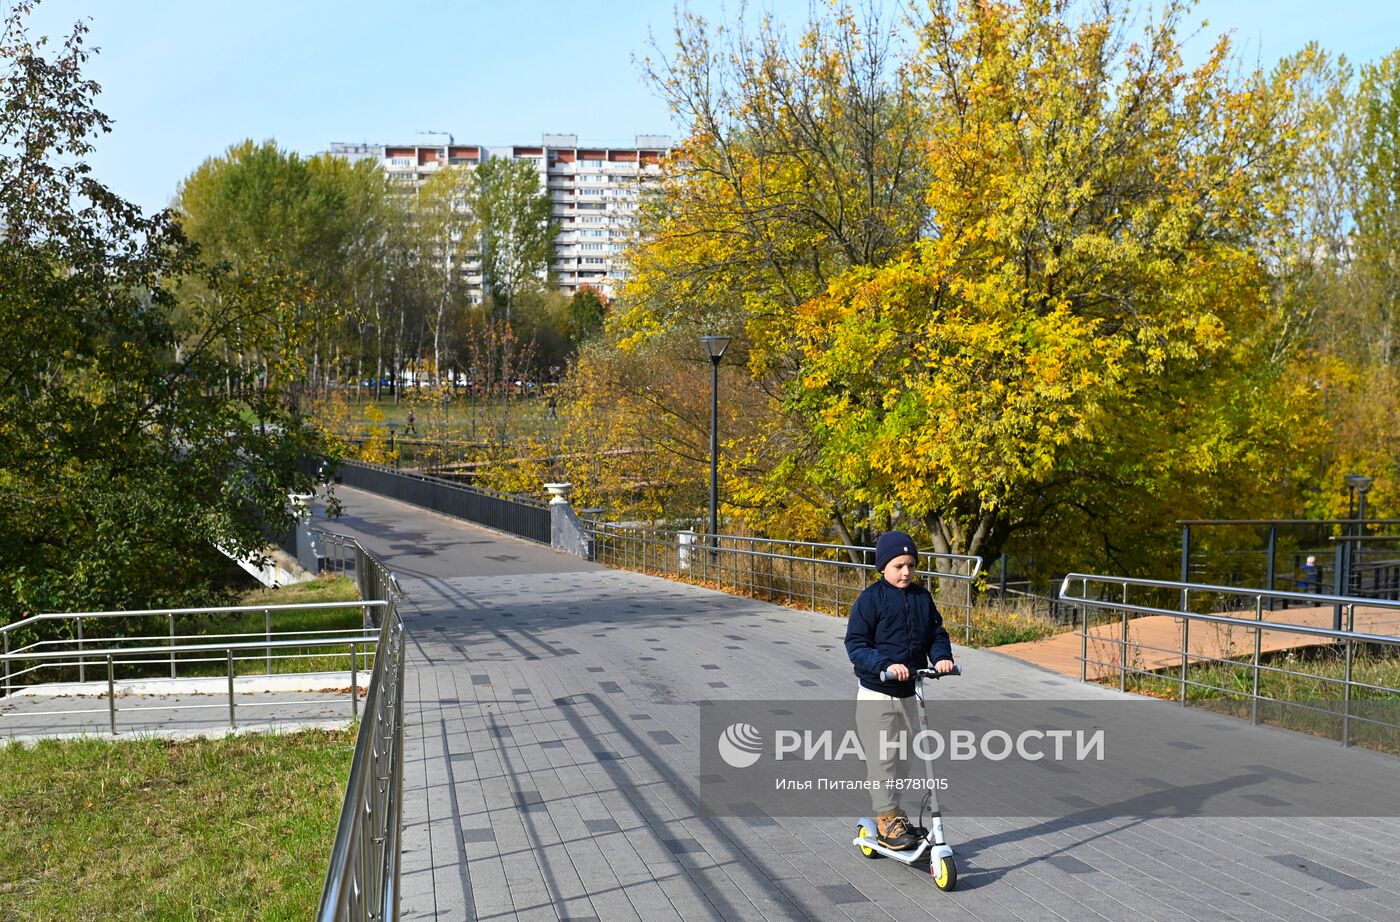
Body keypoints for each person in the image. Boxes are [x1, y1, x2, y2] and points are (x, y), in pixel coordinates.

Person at [844, 530, 955, 851]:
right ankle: (885, 817)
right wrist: (884, 664)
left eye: (910, 565)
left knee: (903, 758)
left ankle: (893, 813)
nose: (906, 572)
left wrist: (942, 658)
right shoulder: (871, 599)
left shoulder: (922, 598)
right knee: (883, 759)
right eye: (898, 566)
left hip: (910, 693)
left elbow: (937, 633)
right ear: (882, 567)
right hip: (877, 693)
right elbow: (856, 644)